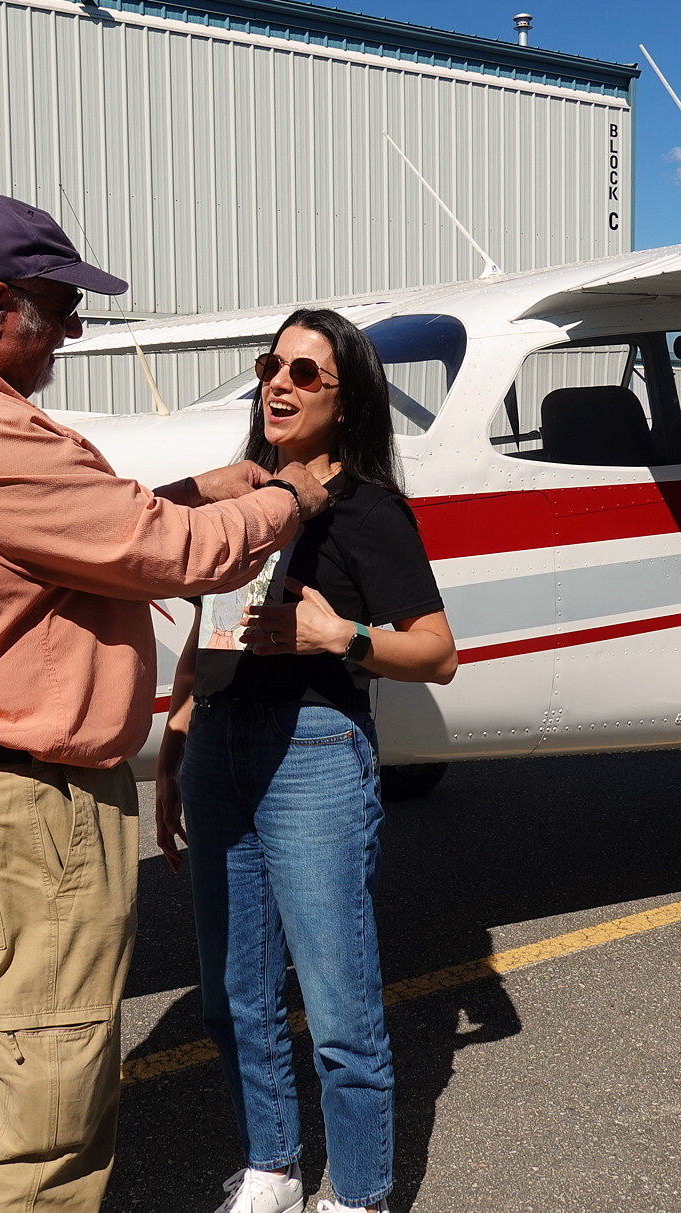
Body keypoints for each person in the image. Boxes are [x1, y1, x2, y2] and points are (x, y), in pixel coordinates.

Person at [0, 193, 328, 1213]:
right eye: (59, 310)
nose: (75, 331)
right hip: (16, 813)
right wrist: (291, 496)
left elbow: (71, 535)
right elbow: (172, 555)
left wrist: (202, 487)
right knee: (39, 1125)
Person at [153, 309, 458, 1213]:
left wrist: (341, 635)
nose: (277, 385)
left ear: (346, 399)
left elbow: (438, 651)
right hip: (218, 747)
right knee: (232, 995)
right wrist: (175, 743)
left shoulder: (369, 508)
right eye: (270, 366)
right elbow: (209, 625)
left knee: (338, 1008)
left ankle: (359, 1196)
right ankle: (273, 1169)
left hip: (315, 756)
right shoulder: (241, 500)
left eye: (304, 372)